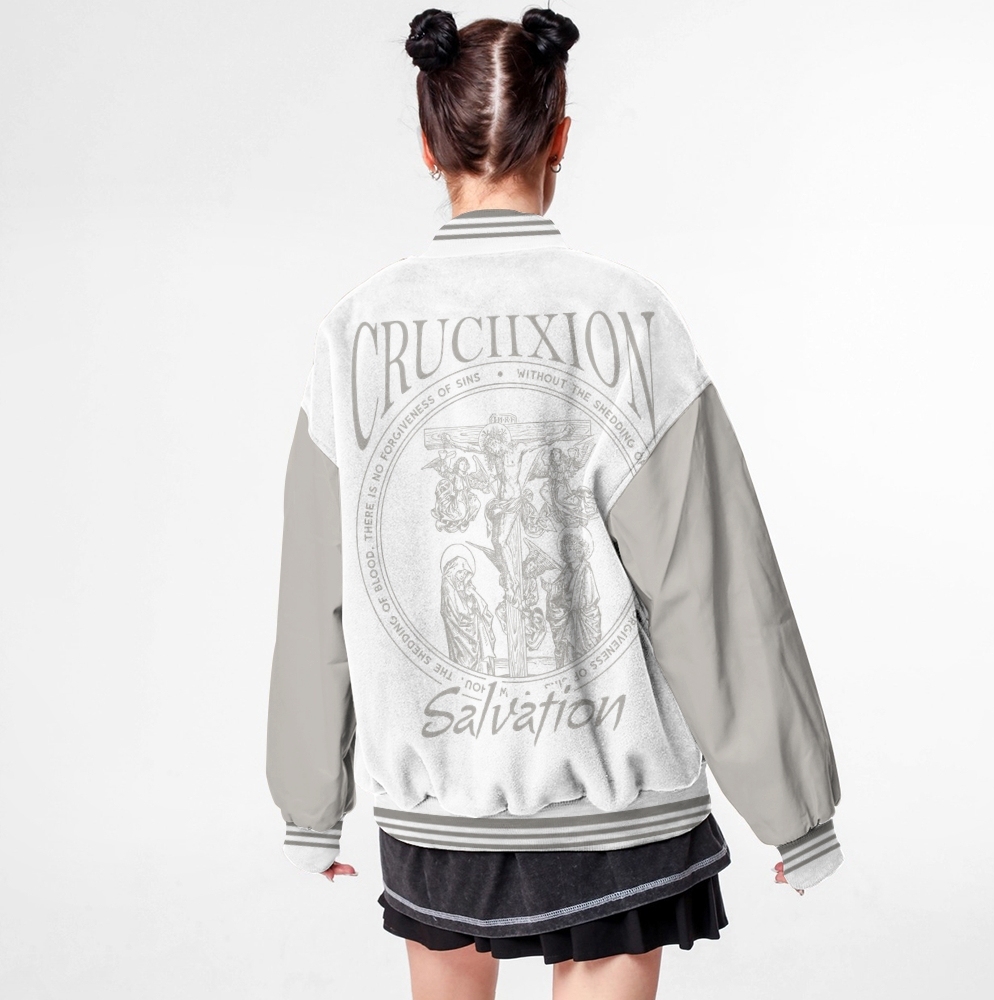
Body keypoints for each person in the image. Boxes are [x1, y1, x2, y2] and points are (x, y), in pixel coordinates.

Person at [265, 8, 845, 999]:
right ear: (560, 136)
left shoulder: (351, 335)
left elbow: (317, 589)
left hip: (437, 806)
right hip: (616, 802)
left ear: (428, 145)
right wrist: (796, 813)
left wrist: (310, 805)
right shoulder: (632, 319)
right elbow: (708, 587)